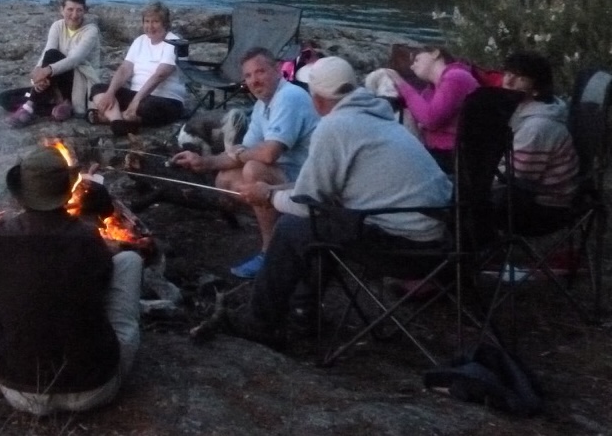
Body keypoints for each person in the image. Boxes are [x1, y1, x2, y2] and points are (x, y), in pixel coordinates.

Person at [190, 56, 453, 348]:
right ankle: (304, 313)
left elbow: (306, 205)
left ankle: (260, 322)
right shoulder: (379, 117)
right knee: (327, 222)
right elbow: (318, 192)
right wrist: (277, 189)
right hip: (443, 238)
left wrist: (269, 195)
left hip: (407, 249)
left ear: (317, 99)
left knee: (295, 227)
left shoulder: (336, 127)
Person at [0, 146, 143, 416]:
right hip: (96, 388)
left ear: (22, 195)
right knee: (129, 262)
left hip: (22, 392)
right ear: (67, 192)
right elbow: (102, 282)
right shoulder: (89, 238)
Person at [171, 47, 319, 279]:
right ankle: (283, 230)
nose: (254, 80)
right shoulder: (262, 106)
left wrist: (242, 156)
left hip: (310, 183)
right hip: (285, 175)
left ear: (278, 69)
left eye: (260, 72)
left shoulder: (289, 97)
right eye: (248, 76)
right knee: (225, 178)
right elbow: (241, 151)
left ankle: (270, 253)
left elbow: (268, 154)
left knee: (252, 169)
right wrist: (204, 162)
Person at [492, 50, 579, 235]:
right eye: (507, 74)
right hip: (529, 193)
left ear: (537, 87)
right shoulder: (528, 109)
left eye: (520, 78)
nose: (508, 81)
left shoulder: (538, 126)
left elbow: (518, 176)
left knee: (462, 205)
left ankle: (473, 256)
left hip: (544, 207)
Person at [0, 0, 102, 128]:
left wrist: (47, 71)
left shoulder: (91, 31)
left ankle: (29, 107)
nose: (74, 15)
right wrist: (37, 76)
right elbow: (46, 52)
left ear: (85, 11)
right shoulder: (57, 26)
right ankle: (56, 109)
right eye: (70, 9)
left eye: (79, 10)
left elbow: (75, 59)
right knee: (5, 98)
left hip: (78, 83)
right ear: (62, 10)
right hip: (54, 81)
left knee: (53, 55)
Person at [89, 1, 187, 136]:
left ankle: (109, 117)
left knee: (145, 108)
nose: (150, 26)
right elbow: (125, 69)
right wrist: (110, 93)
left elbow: (160, 75)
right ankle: (119, 122)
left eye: (155, 22)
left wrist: (136, 101)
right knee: (98, 89)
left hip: (165, 99)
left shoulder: (174, 43)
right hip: (137, 94)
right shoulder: (140, 41)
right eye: (147, 21)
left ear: (165, 23)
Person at [384, 45, 479, 173]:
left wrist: (400, 82)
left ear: (435, 53)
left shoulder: (456, 76)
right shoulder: (430, 90)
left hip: (454, 156)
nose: (412, 67)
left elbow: (430, 118)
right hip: (439, 153)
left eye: (416, 60)